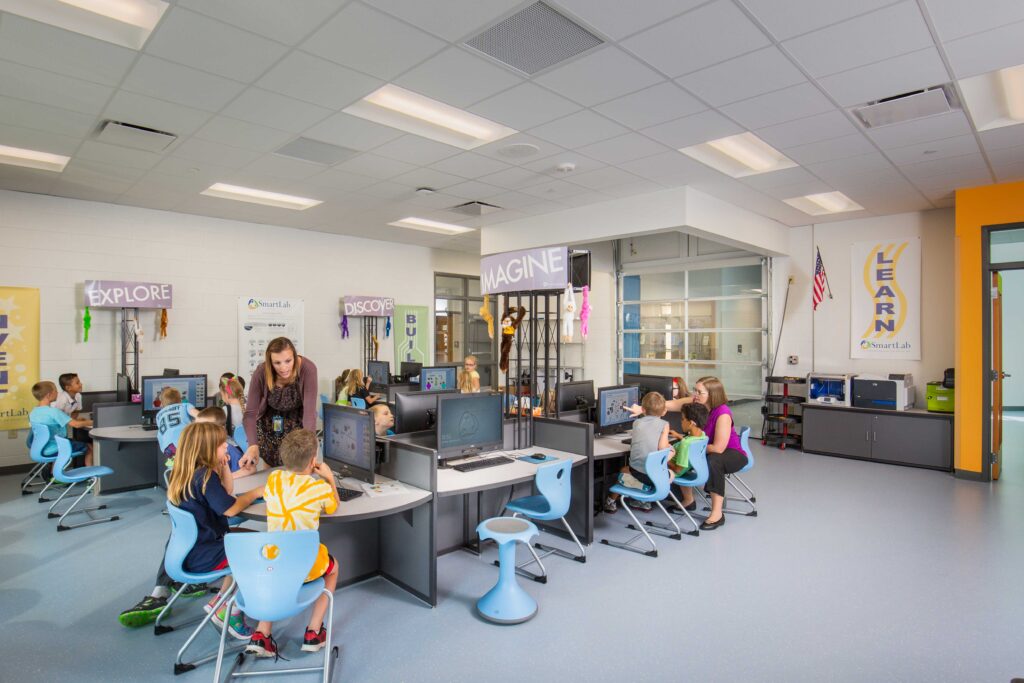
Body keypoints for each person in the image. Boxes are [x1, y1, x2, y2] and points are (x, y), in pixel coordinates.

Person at [245, 429, 339, 658]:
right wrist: (330, 478)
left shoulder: (274, 479)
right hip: (304, 567)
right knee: (334, 567)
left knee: (276, 567)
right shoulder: (320, 488)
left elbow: (270, 498)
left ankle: (262, 633)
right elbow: (334, 506)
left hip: (272, 563)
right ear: (314, 460)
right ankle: (314, 631)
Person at [166, 422, 263, 639]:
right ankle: (232, 611)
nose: (226, 447)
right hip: (205, 555)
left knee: (248, 536)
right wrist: (255, 493)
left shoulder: (187, 472)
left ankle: (220, 600)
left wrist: (224, 465)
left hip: (189, 550)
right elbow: (231, 508)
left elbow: (227, 492)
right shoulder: (205, 478)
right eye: (221, 445)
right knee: (257, 549)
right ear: (207, 448)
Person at [241, 337, 318, 470]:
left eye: (288, 361)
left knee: (298, 469)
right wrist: (253, 445)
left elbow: (309, 413)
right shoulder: (261, 372)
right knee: (270, 472)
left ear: (294, 356)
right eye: (277, 363)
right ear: (270, 362)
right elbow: (250, 413)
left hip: (297, 428)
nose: (283, 368)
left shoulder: (308, 369)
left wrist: (310, 447)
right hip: (269, 427)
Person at [690, 377, 747, 531]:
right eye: (694, 390)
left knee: (714, 461)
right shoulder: (699, 404)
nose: (694, 394)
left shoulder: (723, 413)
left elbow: (718, 448)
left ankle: (717, 513)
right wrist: (643, 409)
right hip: (711, 450)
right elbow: (675, 404)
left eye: (699, 392)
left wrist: (695, 446)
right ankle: (687, 500)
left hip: (733, 454)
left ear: (712, 395)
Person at [603, 391, 670, 515]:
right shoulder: (665, 425)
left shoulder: (636, 423)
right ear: (664, 411)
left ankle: (611, 501)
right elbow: (662, 448)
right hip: (657, 475)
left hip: (641, 473)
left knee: (624, 470)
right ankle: (642, 497)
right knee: (638, 469)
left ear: (643, 410)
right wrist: (670, 447)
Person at [29, 381, 93, 466]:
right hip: (56, 447)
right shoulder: (54, 412)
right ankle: (92, 476)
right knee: (90, 447)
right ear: (49, 395)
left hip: (41, 448)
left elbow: (59, 422)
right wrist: (94, 421)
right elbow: (76, 424)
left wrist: (80, 421)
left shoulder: (34, 412)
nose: (57, 393)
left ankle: (53, 475)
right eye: (55, 391)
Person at [668, 402, 710, 510]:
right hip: (690, 469)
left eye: (682, 419)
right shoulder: (702, 436)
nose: (680, 422)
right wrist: (679, 436)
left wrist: (665, 458)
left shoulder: (686, 444)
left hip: (674, 472)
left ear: (691, 423)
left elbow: (678, 470)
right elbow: (689, 444)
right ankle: (688, 500)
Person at [197, 407, 254, 478]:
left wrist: (224, 479)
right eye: (197, 428)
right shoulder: (199, 448)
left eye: (206, 429)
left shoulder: (228, 449)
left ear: (221, 429)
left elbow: (251, 469)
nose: (198, 432)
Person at [156, 386, 200, 463]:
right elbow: (200, 416)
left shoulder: (159, 415)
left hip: (168, 448)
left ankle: (175, 464)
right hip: (185, 443)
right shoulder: (185, 405)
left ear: (162, 404)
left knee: (179, 461)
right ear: (180, 400)